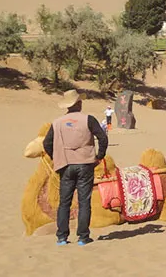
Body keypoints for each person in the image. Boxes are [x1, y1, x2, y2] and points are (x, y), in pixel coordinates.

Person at [42, 89, 109, 246]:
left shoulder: (57, 122)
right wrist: (99, 156)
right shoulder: (88, 120)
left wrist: (56, 157)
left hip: (65, 165)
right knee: (84, 201)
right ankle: (83, 237)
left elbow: (46, 143)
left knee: (64, 202)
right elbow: (103, 138)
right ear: (78, 103)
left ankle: (62, 237)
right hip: (85, 164)